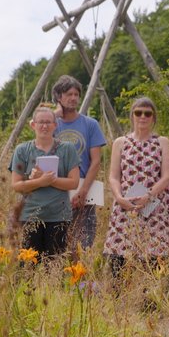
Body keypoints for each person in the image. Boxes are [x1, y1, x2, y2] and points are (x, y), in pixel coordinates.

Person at [103, 97, 169, 275]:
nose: (142, 117)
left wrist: (149, 196)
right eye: (138, 113)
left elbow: (167, 175)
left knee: (155, 261)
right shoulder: (120, 143)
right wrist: (119, 198)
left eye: (147, 113)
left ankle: (150, 301)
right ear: (132, 116)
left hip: (156, 206)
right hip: (127, 206)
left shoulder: (162, 142)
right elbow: (114, 176)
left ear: (153, 117)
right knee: (120, 260)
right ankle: (119, 299)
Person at [10, 105, 81, 260]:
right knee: (28, 266)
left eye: (48, 122)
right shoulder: (22, 150)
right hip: (30, 215)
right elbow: (16, 185)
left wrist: (50, 180)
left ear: (55, 125)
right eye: (40, 122)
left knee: (54, 265)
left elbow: (74, 183)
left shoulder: (67, 148)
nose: (44, 126)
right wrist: (39, 181)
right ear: (33, 125)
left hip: (58, 216)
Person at [52, 75, 107, 251]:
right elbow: (36, 129)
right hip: (57, 191)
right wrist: (54, 115)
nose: (74, 98)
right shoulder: (51, 125)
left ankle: (81, 277)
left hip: (85, 189)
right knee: (57, 243)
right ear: (59, 97)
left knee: (83, 243)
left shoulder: (90, 124)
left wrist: (83, 191)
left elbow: (96, 161)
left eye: (76, 94)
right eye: (69, 94)